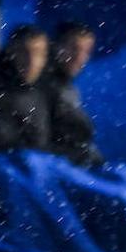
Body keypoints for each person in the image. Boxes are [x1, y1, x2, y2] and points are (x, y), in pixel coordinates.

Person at [40, 22, 103, 167]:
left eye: (86, 52)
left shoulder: (66, 87)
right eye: (74, 48)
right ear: (56, 46)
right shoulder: (43, 85)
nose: (79, 57)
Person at [0, 25, 52, 151]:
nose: (31, 61)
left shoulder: (46, 88)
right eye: (24, 52)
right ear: (11, 53)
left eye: (38, 53)